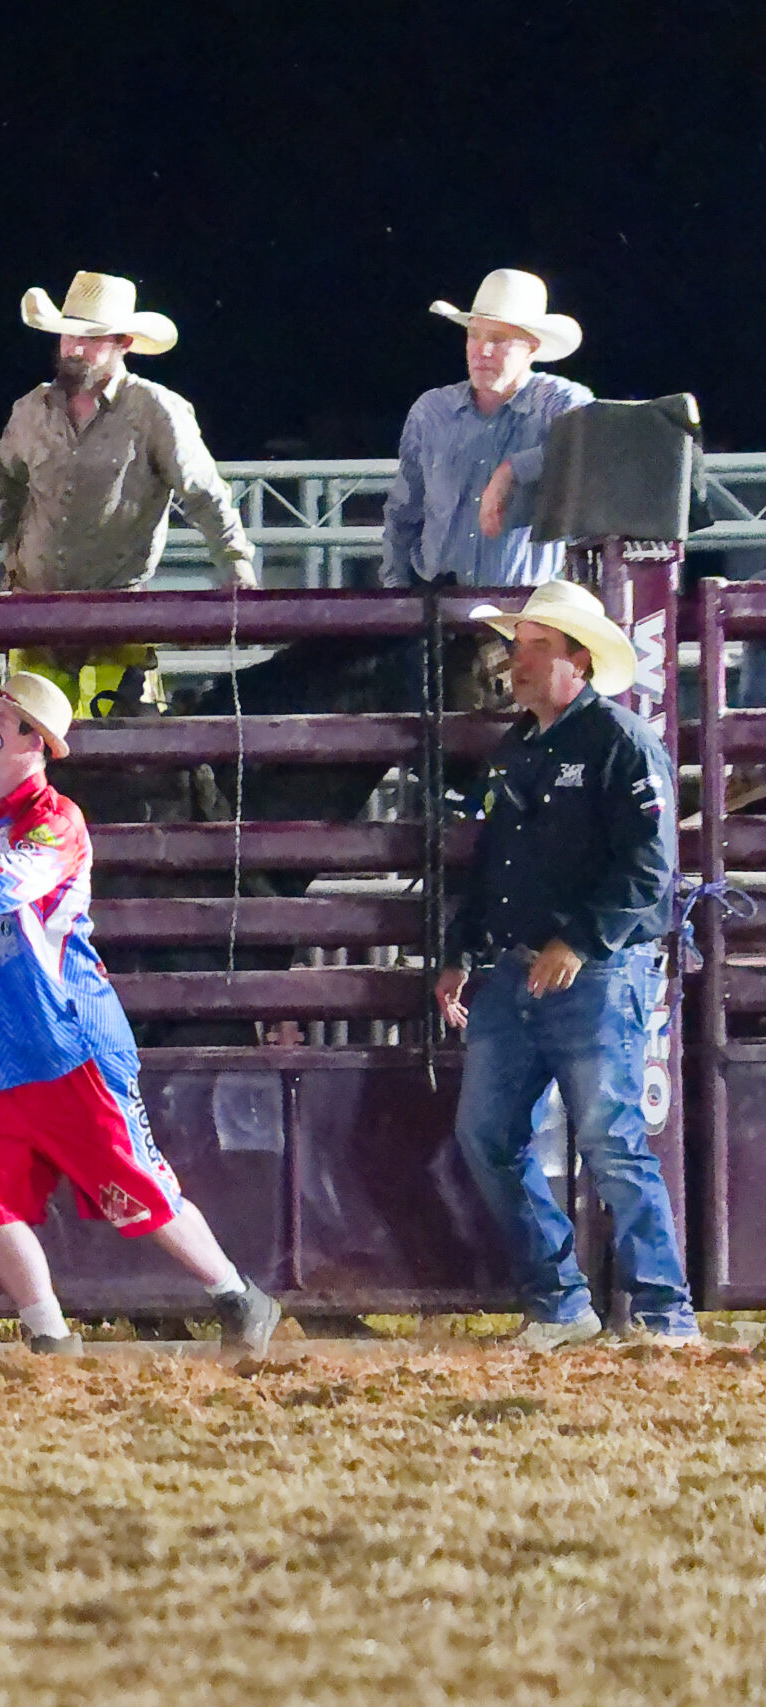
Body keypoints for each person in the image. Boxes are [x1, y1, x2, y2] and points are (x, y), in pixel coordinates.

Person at [0, 670, 283, 1358]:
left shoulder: (58, 822)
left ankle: (237, 1295)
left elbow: (2, 887)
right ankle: (49, 1336)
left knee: (137, 1186)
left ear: (35, 741)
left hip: (70, 1040)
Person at [434, 581, 696, 1348]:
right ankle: (562, 1302)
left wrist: (580, 940)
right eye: (518, 647)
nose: (518, 661)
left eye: (536, 647)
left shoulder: (618, 742)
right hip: (522, 969)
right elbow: (492, 867)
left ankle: (660, 1310)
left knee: (608, 1137)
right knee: (488, 1135)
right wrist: (459, 950)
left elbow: (652, 865)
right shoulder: (519, 748)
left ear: (577, 661)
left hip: (596, 971)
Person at [0, 271, 255, 719]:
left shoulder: (155, 411)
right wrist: (12, 548)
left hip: (116, 612)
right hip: (35, 609)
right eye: (70, 335)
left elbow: (204, 492)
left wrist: (235, 562)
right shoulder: (31, 410)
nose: (74, 348)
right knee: (33, 743)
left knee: (117, 759)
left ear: (123, 342)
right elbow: (5, 475)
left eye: (91, 339)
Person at [382, 270, 592, 590]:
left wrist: (512, 470)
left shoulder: (560, 403)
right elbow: (403, 516)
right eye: (474, 335)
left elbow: (594, 444)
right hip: (436, 608)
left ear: (531, 347)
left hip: (524, 615)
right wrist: (396, 595)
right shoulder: (432, 411)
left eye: (498, 339)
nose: (482, 350)